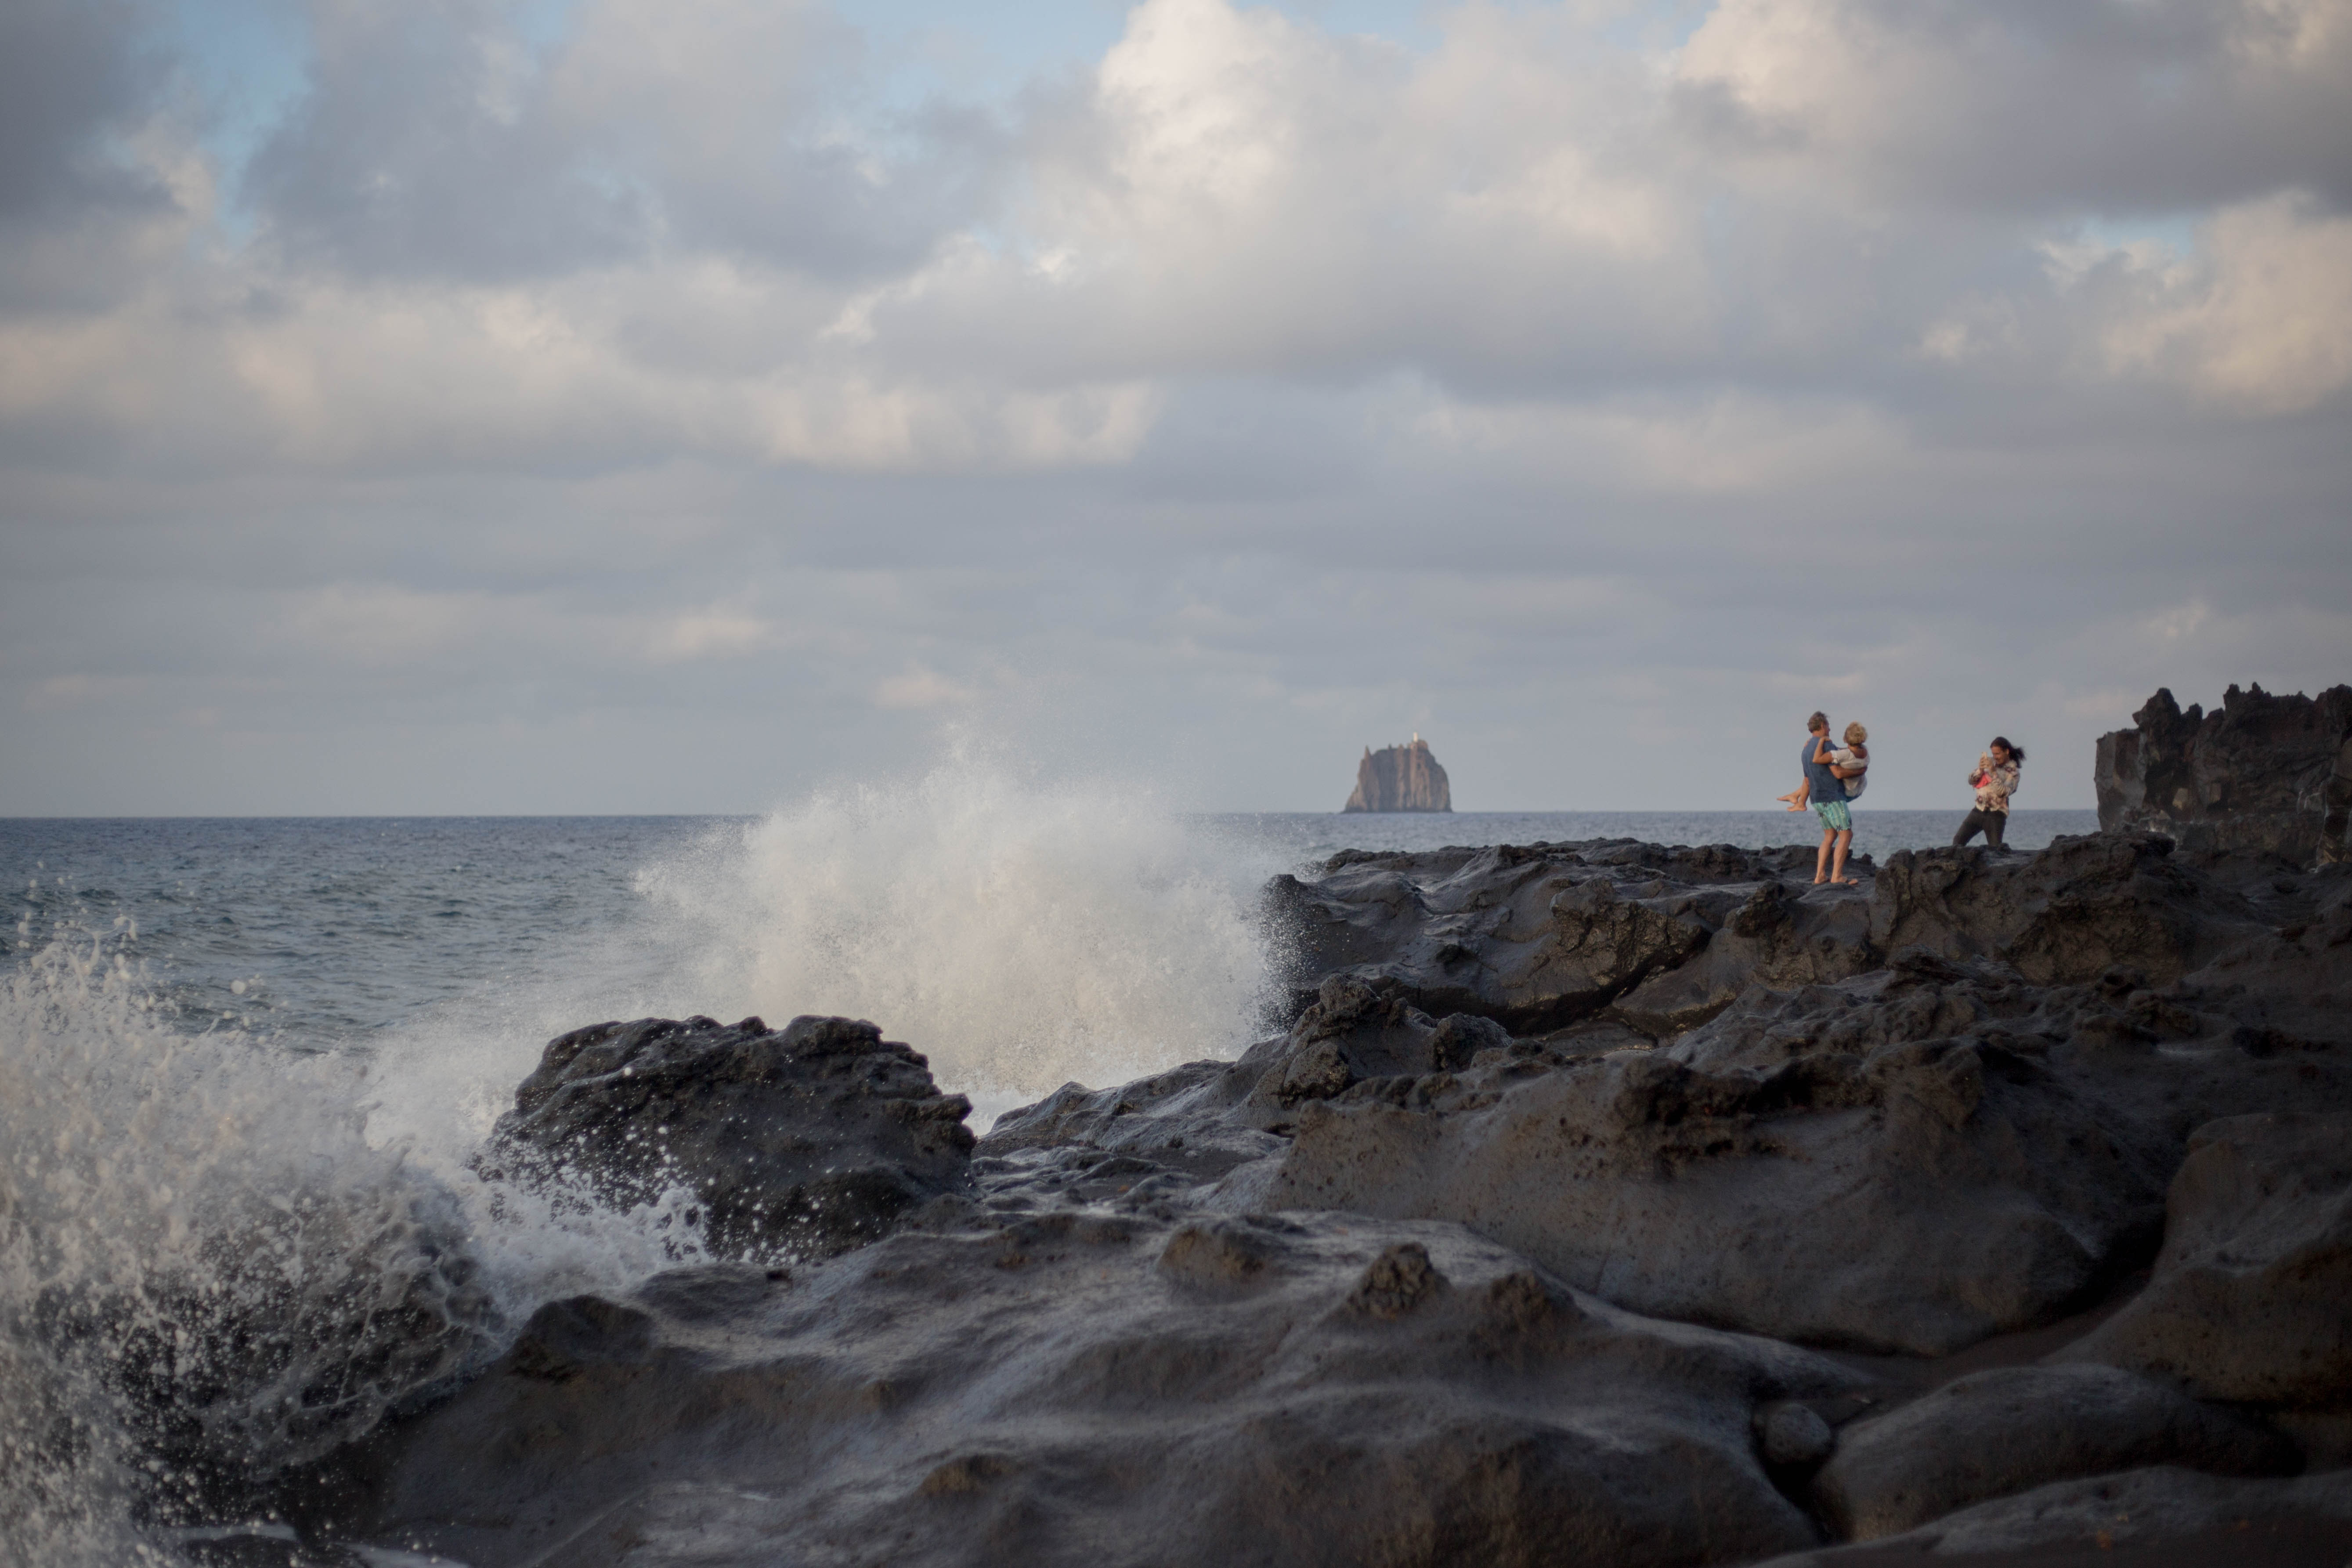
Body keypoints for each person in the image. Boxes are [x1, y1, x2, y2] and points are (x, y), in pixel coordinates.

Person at [1781, 712, 1859, 885]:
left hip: (1817, 800)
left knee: (1830, 836)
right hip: (1833, 798)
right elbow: (1837, 771)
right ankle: (1837, 876)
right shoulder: (1827, 744)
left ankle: (1820, 876)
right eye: (1828, 726)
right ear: (1823, 725)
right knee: (1846, 835)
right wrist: (1859, 771)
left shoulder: (1806, 750)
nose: (1830, 729)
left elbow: (1807, 780)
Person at [1953, 737, 2025, 849]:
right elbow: (1971, 781)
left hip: (1996, 815)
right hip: (1978, 811)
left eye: (1998, 754)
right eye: (1993, 754)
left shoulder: (2014, 773)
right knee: (1958, 841)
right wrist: (1981, 770)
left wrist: (1993, 772)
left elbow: (2003, 792)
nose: (1995, 757)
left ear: (2007, 752)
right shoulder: (1990, 764)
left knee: (1996, 850)